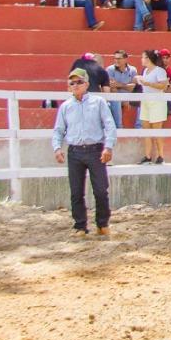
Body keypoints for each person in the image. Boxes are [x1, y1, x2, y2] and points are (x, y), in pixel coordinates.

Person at [53, 67, 117, 236]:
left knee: (101, 190)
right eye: (72, 83)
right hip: (74, 152)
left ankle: (102, 223)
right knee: (76, 192)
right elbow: (59, 129)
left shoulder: (98, 102)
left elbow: (109, 125)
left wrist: (108, 146)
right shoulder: (66, 107)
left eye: (79, 82)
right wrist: (57, 147)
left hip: (95, 150)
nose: (75, 85)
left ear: (87, 84)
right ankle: (80, 225)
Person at [137, 48, 171, 163]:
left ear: (148, 58)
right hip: (146, 101)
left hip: (157, 101)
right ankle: (147, 156)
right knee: (146, 129)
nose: (141, 59)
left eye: (143, 57)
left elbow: (163, 86)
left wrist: (148, 83)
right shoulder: (145, 70)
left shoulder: (159, 71)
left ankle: (160, 155)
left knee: (157, 130)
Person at [104, 50, 140, 130]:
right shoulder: (110, 70)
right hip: (115, 97)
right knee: (116, 100)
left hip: (129, 97)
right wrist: (125, 88)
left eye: (119, 58)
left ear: (126, 59)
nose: (116, 61)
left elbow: (133, 87)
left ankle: (139, 128)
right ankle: (119, 127)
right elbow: (112, 87)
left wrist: (119, 85)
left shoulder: (133, 70)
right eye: (115, 58)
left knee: (143, 102)